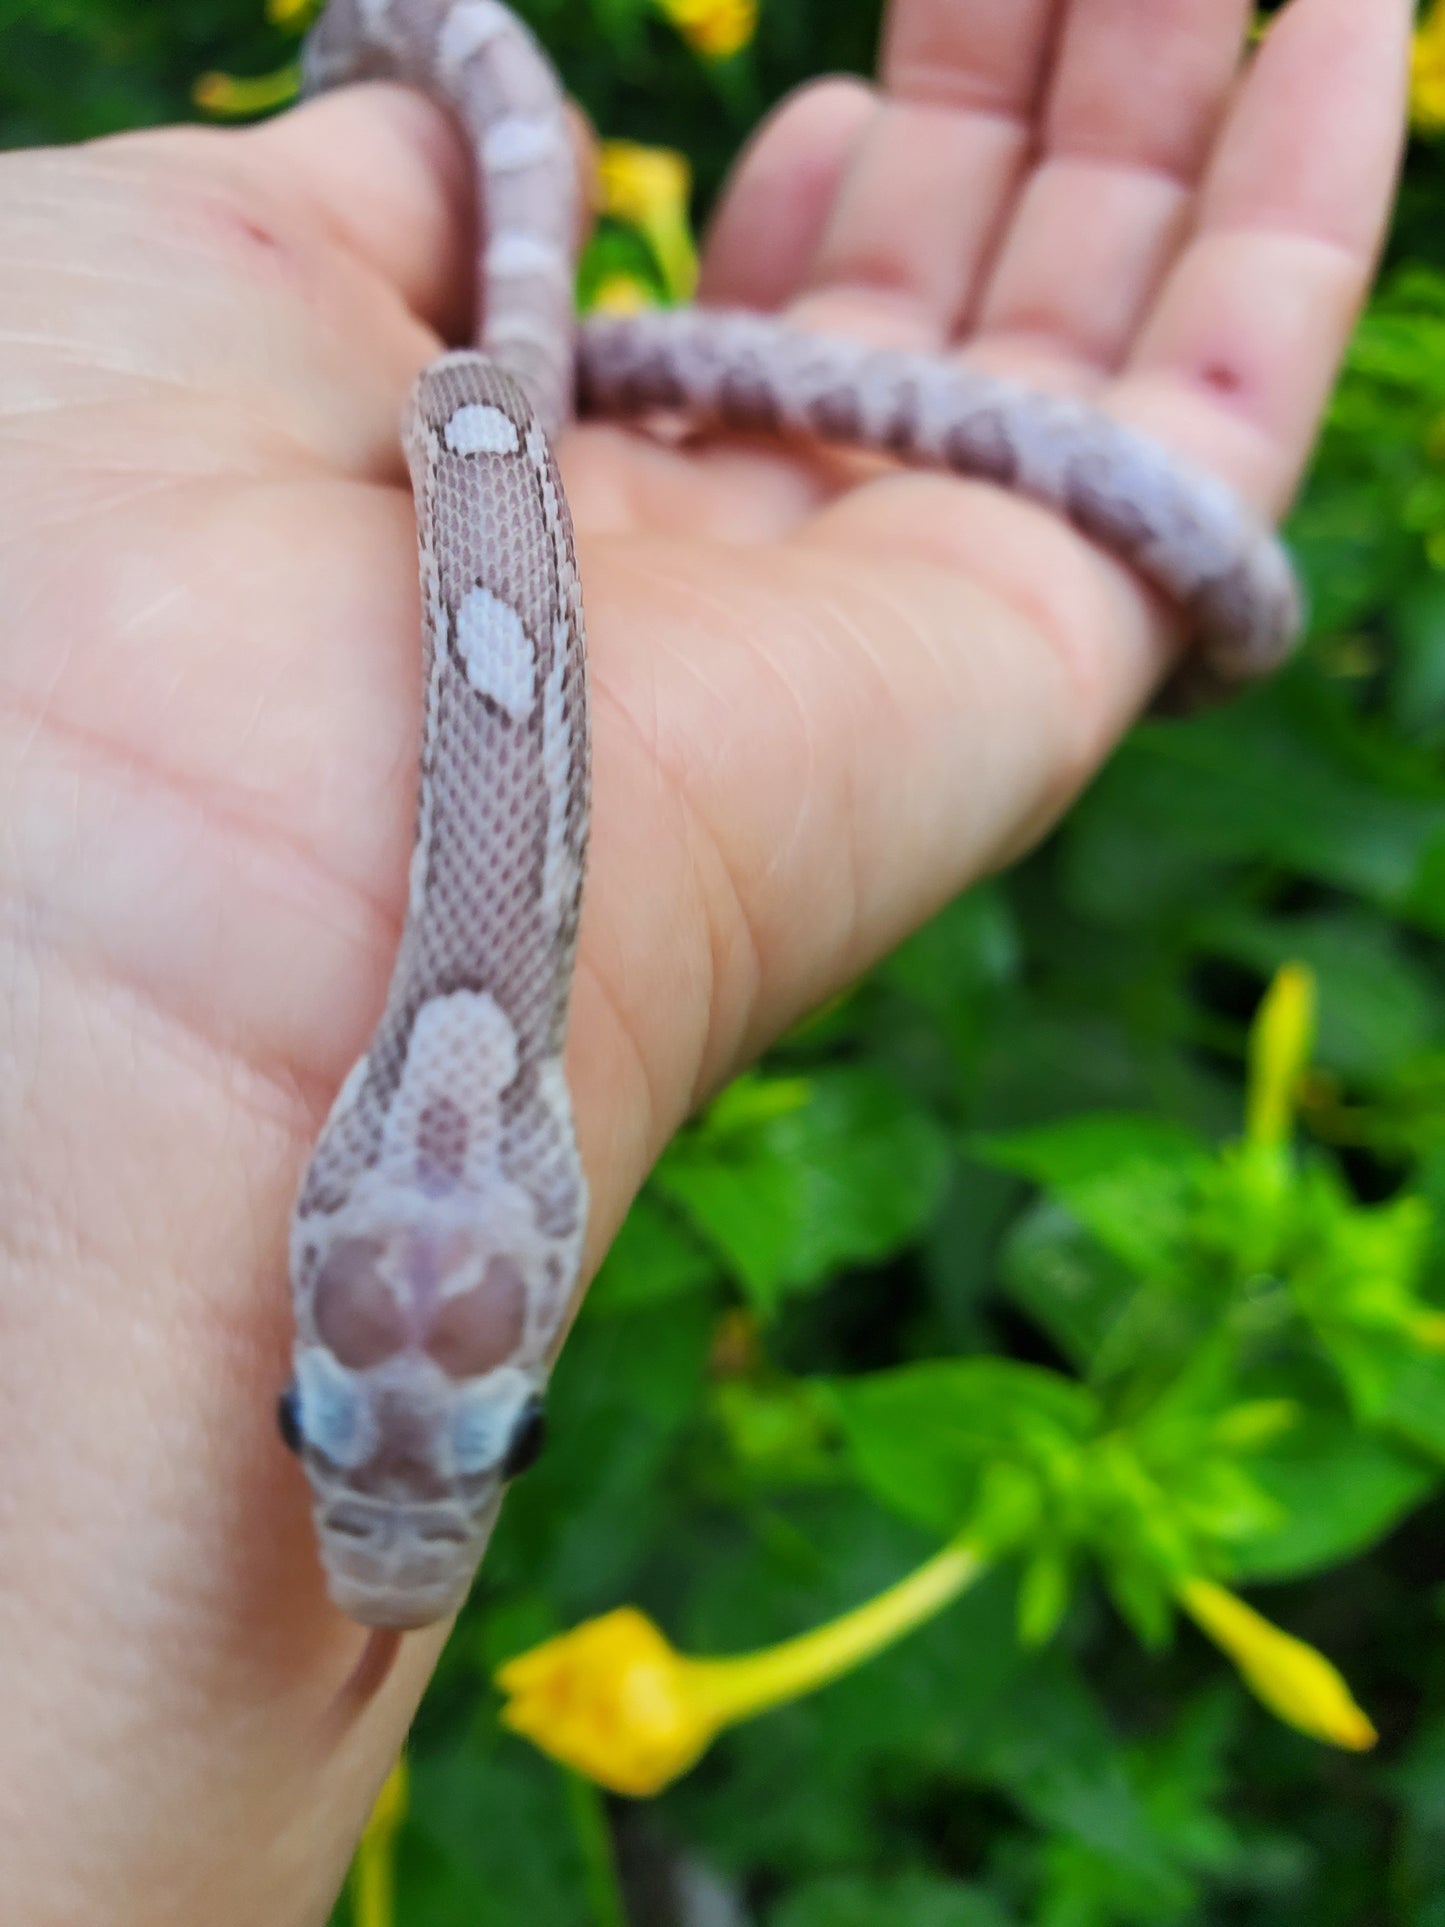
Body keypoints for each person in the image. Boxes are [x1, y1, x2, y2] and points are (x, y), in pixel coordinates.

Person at [0, 0, 1409, 1917]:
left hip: (542, 406)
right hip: (537, 412)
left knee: (530, 351)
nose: (390, 1524)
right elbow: (489, 405)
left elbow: (497, 399)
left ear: (337, 1218)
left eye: (317, 1418)